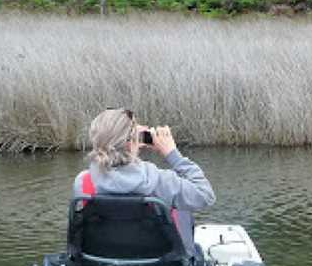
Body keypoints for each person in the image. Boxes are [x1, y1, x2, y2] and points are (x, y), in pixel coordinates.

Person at [73, 108, 215, 253]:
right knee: (181, 210)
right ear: (132, 142)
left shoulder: (83, 183)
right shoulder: (161, 182)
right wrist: (172, 154)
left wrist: (131, 140)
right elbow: (205, 195)